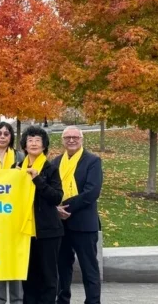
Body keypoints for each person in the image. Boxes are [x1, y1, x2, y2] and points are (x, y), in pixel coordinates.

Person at [55, 127, 102, 304]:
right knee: (62, 267)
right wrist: (55, 209)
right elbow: (51, 190)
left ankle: (92, 301)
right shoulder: (56, 162)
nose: (71, 140)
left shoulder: (92, 161)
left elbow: (92, 192)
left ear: (82, 139)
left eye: (75, 137)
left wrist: (64, 207)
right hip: (61, 225)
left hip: (84, 224)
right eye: (67, 137)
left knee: (89, 268)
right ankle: (62, 300)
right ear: (62, 140)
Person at [17, 127, 63, 304]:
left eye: (38, 140)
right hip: (25, 232)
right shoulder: (18, 169)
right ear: (24, 145)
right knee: (28, 277)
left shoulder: (51, 168)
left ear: (44, 145)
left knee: (48, 277)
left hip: (48, 232)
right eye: (30, 140)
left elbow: (56, 197)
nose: (34, 143)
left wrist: (38, 180)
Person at [0, 122, 24, 304]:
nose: (2, 137)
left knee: (14, 257)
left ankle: (17, 299)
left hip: (14, 214)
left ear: (11, 137)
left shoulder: (20, 156)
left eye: (6, 134)